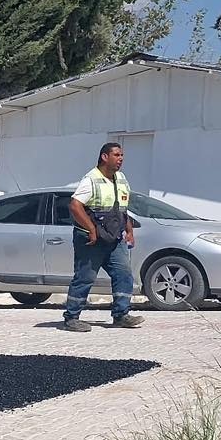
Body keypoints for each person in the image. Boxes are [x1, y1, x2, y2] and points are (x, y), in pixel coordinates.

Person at [63, 142, 144, 332]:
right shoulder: (91, 179)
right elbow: (75, 206)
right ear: (104, 157)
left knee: (124, 274)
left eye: (122, 155)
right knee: (85, 277)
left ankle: (121, 315)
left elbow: (122, 208)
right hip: (92, 240)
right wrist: (91, 228)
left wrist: (129, 230)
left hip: (114, 238)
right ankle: (71, 317)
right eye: (116, 155)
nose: (121, 159)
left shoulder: (121, 179)